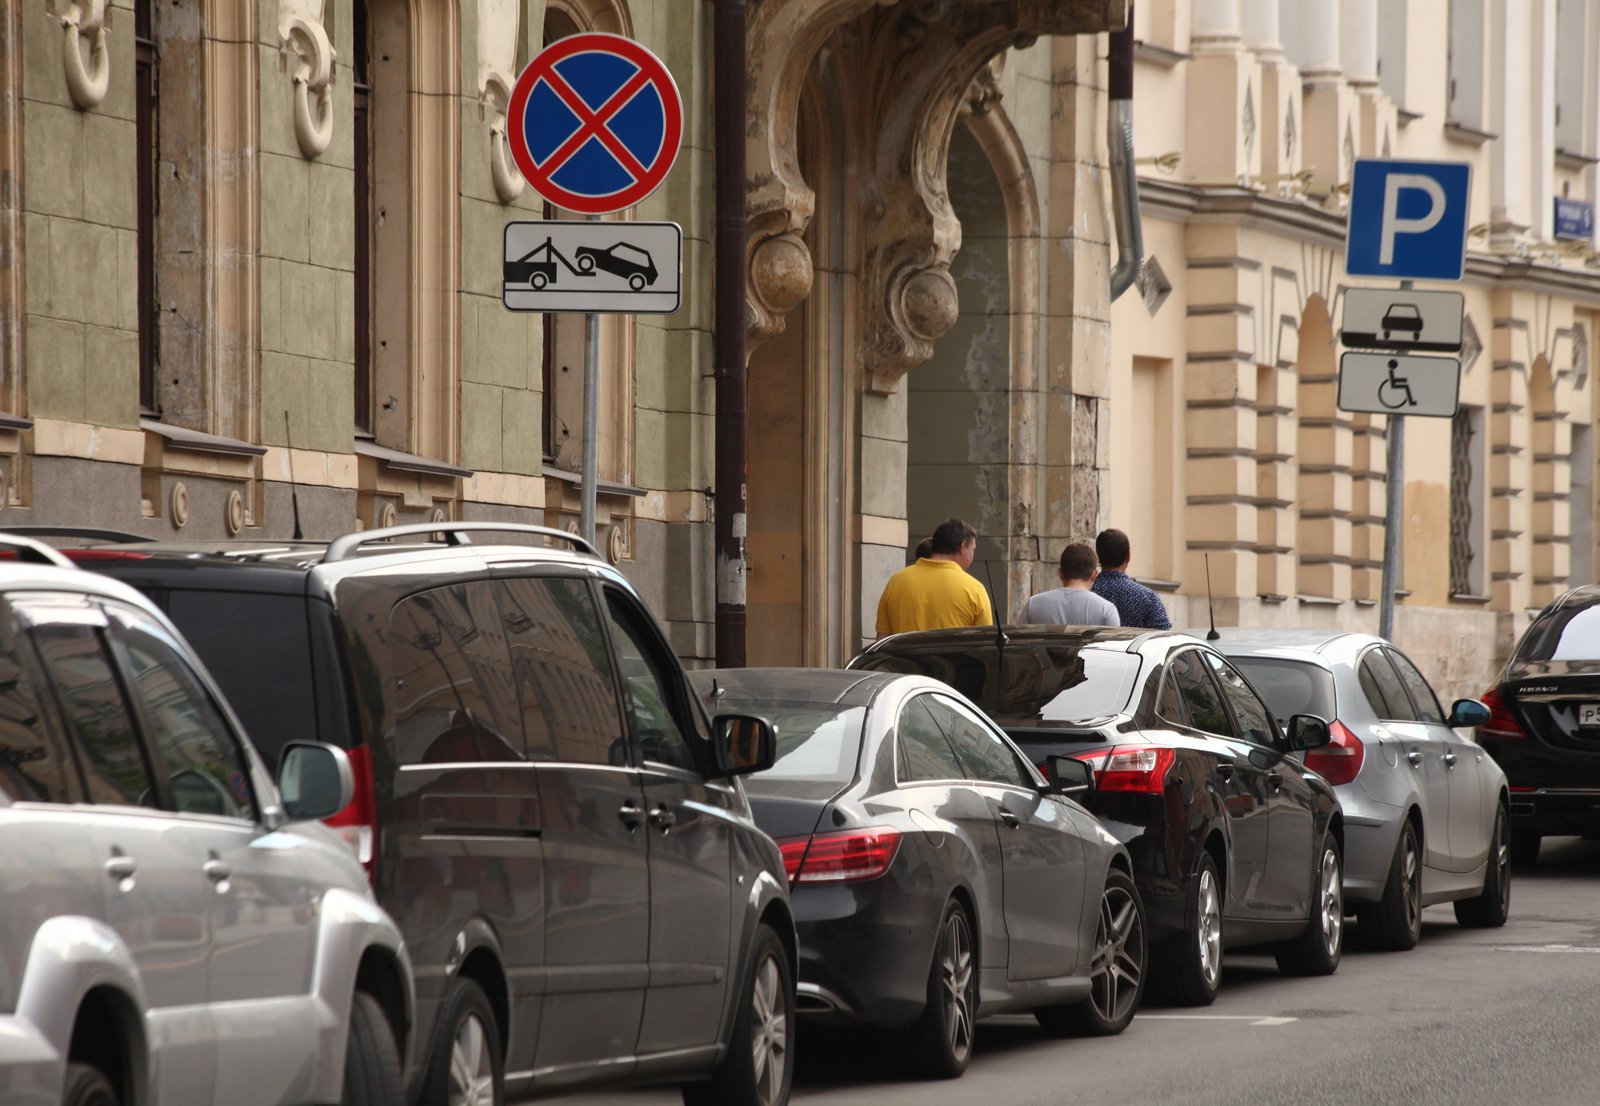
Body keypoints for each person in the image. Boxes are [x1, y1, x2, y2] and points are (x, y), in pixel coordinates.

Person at [876, 517, 994, 637]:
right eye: (973, 549)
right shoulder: (975, 590)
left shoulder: (896, 582)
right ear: (963, 547)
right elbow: (985, 647)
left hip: (903, 656)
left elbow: (881, 643)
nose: (972, 556)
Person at [1022, 542, 1121, 626]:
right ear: (1094, 575)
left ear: (1061, 573)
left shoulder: (1033, 604)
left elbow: (1018, 643)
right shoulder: (1106, 610)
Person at [1091, 528, 1172, 630]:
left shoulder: (1089, 592)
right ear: (1128, 556)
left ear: (1098, 556)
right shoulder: (1148, 597)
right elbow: (1164, 636)